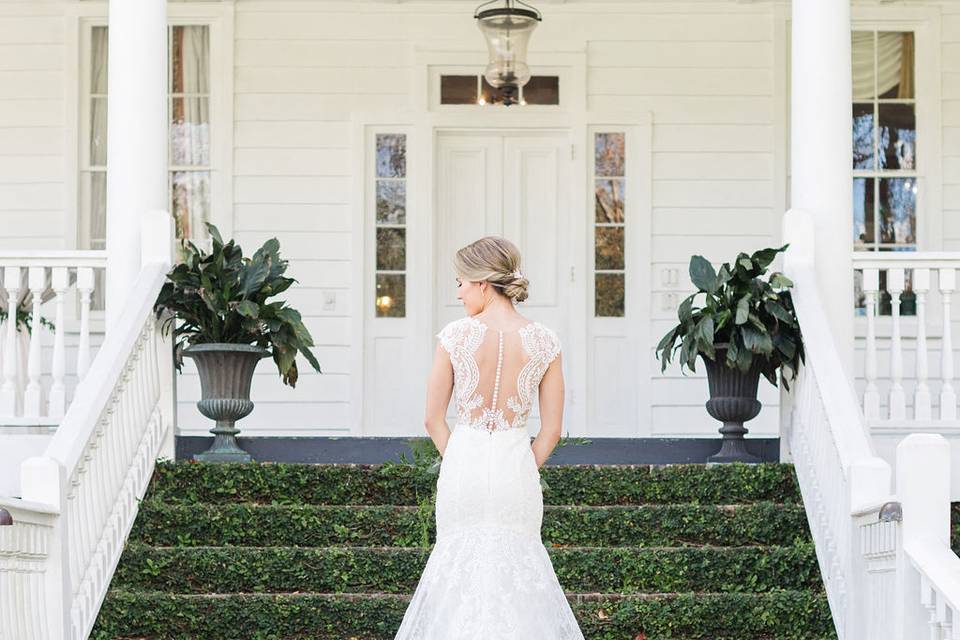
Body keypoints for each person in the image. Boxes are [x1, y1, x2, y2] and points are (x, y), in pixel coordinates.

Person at [394, 236, 585, 639]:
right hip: (515, 471)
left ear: (483, 283)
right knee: (522, 577)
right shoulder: (545, 341)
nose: (459, 292)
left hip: (464, 470)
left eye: (461, 282)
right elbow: (551, 429)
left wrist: (461, 457)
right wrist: (519, 464)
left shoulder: (455, 336)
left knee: (455, 574)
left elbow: (433, 419)